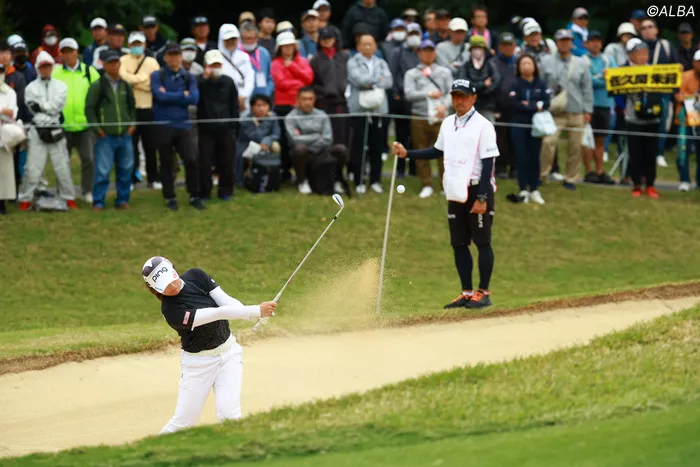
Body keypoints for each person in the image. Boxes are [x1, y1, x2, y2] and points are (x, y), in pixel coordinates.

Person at [393, 79, 498, 309]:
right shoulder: (448, 123)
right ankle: (466, 292)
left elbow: (488, 163)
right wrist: (407, 154)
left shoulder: (484, 126)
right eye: (455, 96)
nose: (459, 101)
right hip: (455, 189)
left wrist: (482, 198)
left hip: (477, 189)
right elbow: (436, 151)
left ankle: (483, 292)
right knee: (458, 243)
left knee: (482, 242)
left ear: (473, 98)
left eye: (463, 96)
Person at [140, 256, 276, 435]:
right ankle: (152, 450)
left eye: (172, 280)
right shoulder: (171, 311)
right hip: (198, 366)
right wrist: (255, 310)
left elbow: (227, 302)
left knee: (230, 416)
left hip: (229, 355)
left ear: (174, 270)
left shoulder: (196, 276)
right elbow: (217, 313)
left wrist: (252, 315)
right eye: (165, 286)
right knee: (184, 422)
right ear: (156, 289)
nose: (172, 286)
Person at [18, 52, 76, 211]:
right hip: (37, 130)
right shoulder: (30, 88)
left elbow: (57, 107)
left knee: (62, 166)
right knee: (32, 167)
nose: (45, 70)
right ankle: (25, 198)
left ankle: (69, 197)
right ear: (38, 68)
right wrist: (47, 108)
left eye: (48, 66)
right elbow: (32, 108)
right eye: (43, 67)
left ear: (52, 67)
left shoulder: (61, 86)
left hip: (55, 128)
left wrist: (42, 106)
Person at [151, 42, 204, 211]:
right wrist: (182, 95)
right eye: (171, 55)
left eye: (177, 55)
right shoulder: (157, 75)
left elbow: (194, 98)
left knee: (191, 159)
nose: (174, 58)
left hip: (183, 124)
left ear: (181, 57)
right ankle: (170, 196)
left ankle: (194, 194)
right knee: (167, 162)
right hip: (163, 124)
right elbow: (160, 97)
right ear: (166, 57)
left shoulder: (188, 77)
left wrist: (170, 94)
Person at [539, 29, 593, 190]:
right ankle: (542, 175)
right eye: (562, 40)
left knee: (575, 147)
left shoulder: (581, 63)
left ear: (571, 43)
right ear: (556, 42)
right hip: (554, 112)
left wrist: (588, 110)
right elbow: (541, 84)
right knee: (548, 143)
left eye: (567, 40)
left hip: (576, 111)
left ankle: (571, 178)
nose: (564, 43)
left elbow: (587, 88)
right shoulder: (546, 62)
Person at [84, 50, 136, 211]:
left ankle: (123, 199)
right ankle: (98, 201)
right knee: (102, 171)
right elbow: (89, 109)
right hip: (105, 137)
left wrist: (132, 124)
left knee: (126, 169)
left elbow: (132, 106)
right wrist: (97, 129)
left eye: (116, 62)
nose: (114, 66)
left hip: (125, 135)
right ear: (104, 65)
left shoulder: (125, 85)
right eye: (110, 63)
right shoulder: (97, 86)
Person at [52, 38, 100, 203]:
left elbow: (98, 95)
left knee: (89, 159)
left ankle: (87, 191)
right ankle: (63, 192)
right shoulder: (56, 73)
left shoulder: (89, 71)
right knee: (62, 162)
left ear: (76, 52)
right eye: (64, 52)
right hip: (63, 125)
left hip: (85, 125)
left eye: (70, 51)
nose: (68, 55)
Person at [404, 39, 451, 198]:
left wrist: (444, 106)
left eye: (431, 51)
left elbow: (451, 92)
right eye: (425, 51)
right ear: (419, 53)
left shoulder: (444, 72)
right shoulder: (412, 73)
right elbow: (409, 94)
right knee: (421, 150)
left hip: (441, 117)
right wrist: (428, 94)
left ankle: (446, 184)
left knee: (444, 152)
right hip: (420, 116)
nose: (428, 54)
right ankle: (426, 184)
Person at [347, 32, 393, 193]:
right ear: (358, 46)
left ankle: (375, 180)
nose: (367, 47)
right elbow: (357, 80)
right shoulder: (352, 62)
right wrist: (376, 81)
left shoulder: (381, 62)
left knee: (377, 146)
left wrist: (370, 82)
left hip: (379, 110)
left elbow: (388, 81)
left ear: (375, 46)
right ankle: (359, 180)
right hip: (359, 111)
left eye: (370, 44)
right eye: (364, 44)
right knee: (359, 146)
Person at [617, 39, 661, 198]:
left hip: (653, 117)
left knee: (651, 153)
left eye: (645, 53)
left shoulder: (655, 70)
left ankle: (650, 184)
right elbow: (615, 90)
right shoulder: (624, 71)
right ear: (631, 55)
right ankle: (636, 184)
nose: (643, 56)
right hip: (633, 118)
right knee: (635, 153)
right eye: (639, 53)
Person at [285, 87, 348, 194]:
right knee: (299, 149)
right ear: (298, 100)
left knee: (341, 149)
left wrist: (305, 138)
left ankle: (336, 180)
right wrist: (317, 135)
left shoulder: (322, 115)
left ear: (314, 100)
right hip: (305, 152)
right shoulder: (291, 117)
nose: (307, 102)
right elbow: (294, 140)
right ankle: (302, 181)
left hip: (322, 150)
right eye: (304, 99)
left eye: (310, 99)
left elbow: (328, 139)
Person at [120, 31, 161, 190]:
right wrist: (144, 79)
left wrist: (135, 81)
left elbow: (154, 83)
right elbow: (124, 78)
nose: (137, 46)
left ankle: (153, 178)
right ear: (129, 45)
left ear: (144, 45)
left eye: (139, 43)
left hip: (148, 108)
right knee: (130, 146)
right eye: (134, 44)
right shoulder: (123, 60)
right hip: (131, 109)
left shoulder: (151, 61)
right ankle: (131, 178)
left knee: (150, 145)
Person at [271, 31, 314, 182]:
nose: (288, 48)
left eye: (290, 45)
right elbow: (280, 83)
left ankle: (303, 171)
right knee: (284, 140)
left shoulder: (301, 61)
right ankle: (285, 172)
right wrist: (299, 83)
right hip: (283, 105)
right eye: (285, 46)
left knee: (301, 138)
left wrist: (292, 67)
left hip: (301, 106)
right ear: (279, 48)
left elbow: (309, 78)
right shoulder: (276, 63)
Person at [197, 50, 239, 201]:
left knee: (227, 161)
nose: (215, 68)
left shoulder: (228, 81)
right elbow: (196, 100)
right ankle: (205, 191)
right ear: (206, 66)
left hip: (225, 128)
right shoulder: (200, 82)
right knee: (205, 162)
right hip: (206, 129)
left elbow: (234, 105)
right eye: (212, 65)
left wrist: (234, 125)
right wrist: (204, 79)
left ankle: (225, 190)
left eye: (218, 65)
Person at [509, 54, 551, 204]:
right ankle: (523, 189)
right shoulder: (515, 83)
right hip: (519, 124)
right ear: (519, 67)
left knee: (534, 156)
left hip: (536, 126)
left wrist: (528, 105)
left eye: (529, 63)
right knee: (522, 157)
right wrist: (534, 106)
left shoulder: (541, 84)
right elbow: (514, 103)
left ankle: (534, 189)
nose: (526, 66)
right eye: (523, 64)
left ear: (534, 66)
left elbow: (546, 102)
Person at [640, 18, 680, 168]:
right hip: (643, 93)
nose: (647, 30)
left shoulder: (666, 46)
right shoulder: (638, 47)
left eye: (650, 27)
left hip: (663, 93)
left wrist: (675, 92)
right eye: (644, 28)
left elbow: (676, 67)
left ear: (656, 30)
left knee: (663, 123)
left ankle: (659, 153)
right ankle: (644, 152)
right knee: (643, 122)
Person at [388, 23, 421, 178]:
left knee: (416, 137)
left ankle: (414, 169)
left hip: (417, 100)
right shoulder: (398, 52)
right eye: (411, 33)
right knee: (401, 136)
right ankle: (400, 169)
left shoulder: (422, 52)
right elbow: (392, 73)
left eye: (416, 33)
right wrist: (395, 93)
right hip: (401, 99)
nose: (414, 36)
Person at [582, 31, 616, 184]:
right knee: (587, 139)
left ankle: (600, 171)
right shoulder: (582, 60)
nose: (595, 44)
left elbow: (615, 79)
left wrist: (599, 78)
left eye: (598, 41)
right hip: (588, 105)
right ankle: (589, 171)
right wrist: (604, 78)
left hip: (605, 103)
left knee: (600, 139)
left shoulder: (608, 59)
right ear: (586, 43)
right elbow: (588, 81)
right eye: (592, 41)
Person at [311, 27, 350, 148]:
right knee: (326, 133)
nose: (327, 41)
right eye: (324, 38)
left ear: (335, 39)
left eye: (330, 38)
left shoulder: (344, 56)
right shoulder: (315, 59)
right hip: (324, 101)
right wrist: (323, 92)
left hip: (343, 101)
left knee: (342, 133)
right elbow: (312, 82)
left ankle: (342, 156)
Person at [237, 94, 281, 185]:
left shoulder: (273, 117)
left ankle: (272, 175)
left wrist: (266, 141)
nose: (262, 108)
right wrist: (266, 121)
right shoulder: (246, 119)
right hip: (247, 144)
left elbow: (276, 134)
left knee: (276, 146)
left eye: (264, 105)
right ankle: (245, 177)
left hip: (265, 144)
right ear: (252, 108)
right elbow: (255, 137)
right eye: (258, 105)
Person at [458, 35, 500, 122]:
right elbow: (464, 85)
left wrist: (479, 91)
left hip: (487, 106)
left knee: (488, 129)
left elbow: (496, 83)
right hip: (468, 106)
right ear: (470, 50)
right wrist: (483, 84)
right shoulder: (465, 66)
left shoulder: (491, 66)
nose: (477, 51)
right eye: (475, 48)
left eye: (480, 48)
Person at [674, 50, 700, 192]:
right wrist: (691, 97)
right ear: (694, 63)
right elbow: (678, 96)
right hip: (685, 121)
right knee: (682, 151)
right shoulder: (685, 76)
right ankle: (685, 180)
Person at [494, 32, 518, 179]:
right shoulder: (493, 62)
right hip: (499, 107)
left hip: (516, 107)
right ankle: (500, 167)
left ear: (515, 46)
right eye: (504, 45)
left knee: (515, 138)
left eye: (510, 45)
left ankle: (515, 167)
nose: (508, 48)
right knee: (500, 139)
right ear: (499, 46)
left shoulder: (519, 62)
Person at [217, 24, 255, 113]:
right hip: (222, 103)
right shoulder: (216, 57)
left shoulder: (244, 57)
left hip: (243, 102)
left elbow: (250, 78)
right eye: (228, 39)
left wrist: (243, 96)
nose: (231, 42)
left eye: (234, 39)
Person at [0, 64, 20, 215]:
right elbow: (5, 112)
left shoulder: (10, 92)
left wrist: (5, 113)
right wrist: (1, 110)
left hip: (4, 135)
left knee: (4, 171)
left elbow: (12, 113)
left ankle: (2, 204)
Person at [240, 21, 274, 98]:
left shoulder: (264, 53)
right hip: (242, 97)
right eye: (246, 38)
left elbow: (271, 78)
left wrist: (266, 92)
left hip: (262, 97)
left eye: (252, 38)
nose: (249, 41)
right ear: (241, 39)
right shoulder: (237, 53)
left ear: (257, 38)